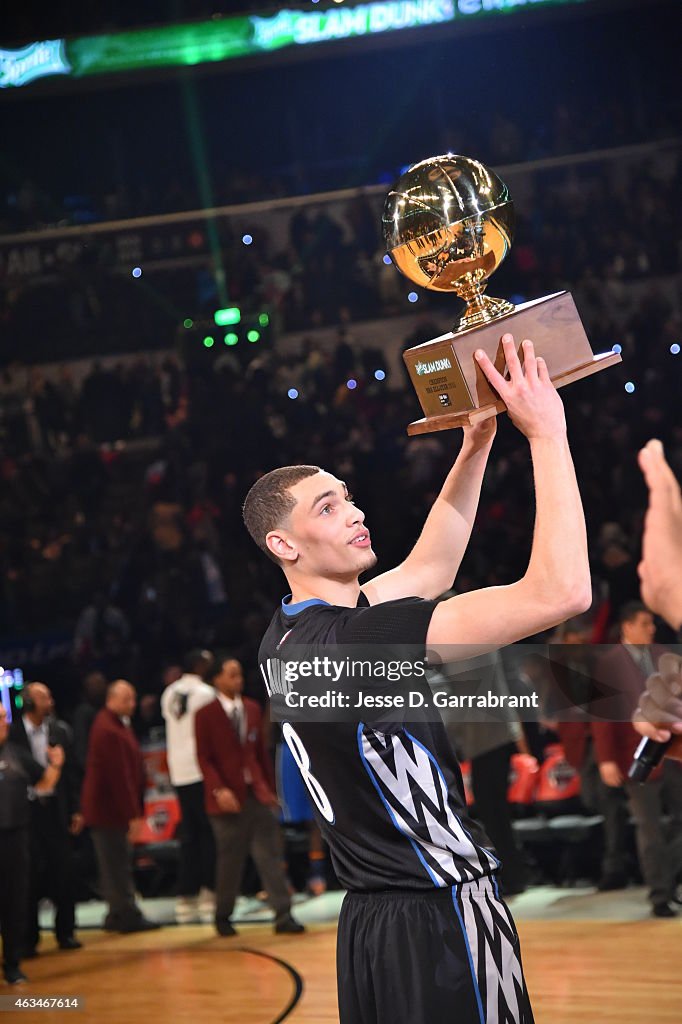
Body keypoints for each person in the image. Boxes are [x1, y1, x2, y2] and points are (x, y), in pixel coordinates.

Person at [243, 336, 591, 1024]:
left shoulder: (287, 636)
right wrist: (548, 433)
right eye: (326, 508)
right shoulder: (362, 639)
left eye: (348, 498)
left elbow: (432, 568)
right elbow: (563, 592)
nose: (355, 513)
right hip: (441, 909)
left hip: (371, 921)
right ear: (282, 545)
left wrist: (477, 444)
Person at [195, 656, 304, 937]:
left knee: (269, 855)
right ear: (217, 679)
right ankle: (223, 916)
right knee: (230, 860)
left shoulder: (253, 709)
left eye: (240, 674)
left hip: (255, 795)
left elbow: (260, 756)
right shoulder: (205, 714)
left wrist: (270, 789)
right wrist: (219, 790)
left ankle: (284, 914)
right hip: (226, 799)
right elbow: (204, 759)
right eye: (231, 674)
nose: (238, 679)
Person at [592, 603, 682, 916]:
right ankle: (660, 895)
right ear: (627, 627)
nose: (652, 628)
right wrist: (606, 760)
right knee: (650, 828)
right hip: (636, 755)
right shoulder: (609, 663)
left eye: (652, 623)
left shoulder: (662, 656)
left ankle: (668, 883)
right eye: (645, 623)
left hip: (673, 753)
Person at [81, 680, 160, 933]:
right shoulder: (108, 729)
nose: (133, 704)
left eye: (133, 699)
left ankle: (116, 914)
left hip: (111, 810)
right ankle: (126, 915)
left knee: (115, 862)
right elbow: (119, 777)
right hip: (108, 811)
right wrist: (133, 815)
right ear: (111, 699)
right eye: (127, 699)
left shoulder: (115, 724)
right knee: (116, 864)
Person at [9, 682, 82, 956]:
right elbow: (40, 777)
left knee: (65, 870)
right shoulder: (13, 734)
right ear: (27, 702)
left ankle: (67, 932)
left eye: (50, 696)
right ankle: (28, 939)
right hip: (25, 811)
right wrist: (55, 766)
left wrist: (77, 808)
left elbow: (72, 773)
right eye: (42, 697)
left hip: (56, 809)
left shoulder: (60, 730)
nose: (49, 701)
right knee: (28, 876)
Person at [0, 704, 65, 985]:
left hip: (16, 838)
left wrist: (57, 765)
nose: (4, 722)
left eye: (5, 717)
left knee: (16, 902)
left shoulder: (15, 752)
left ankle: (12, 963)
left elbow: (44, 784)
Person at [160, 649, 217, 924]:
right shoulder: (206, 693)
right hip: (199, 768)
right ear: (200, 665)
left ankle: (186, 895)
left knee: (190, 833)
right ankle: (208, 892)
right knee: (206, 832)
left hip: (178, 769)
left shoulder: (168, 692)